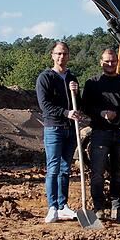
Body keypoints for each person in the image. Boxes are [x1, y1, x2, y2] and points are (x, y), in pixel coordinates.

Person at [81, 49, 120, 222]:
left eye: (113, 61)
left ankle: (116, 207)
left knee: (119, 172)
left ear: (117, 61)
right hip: (99, 133)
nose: (110, 64)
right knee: (97, 172)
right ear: (101, 62)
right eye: (107, 61)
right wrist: (101, 112)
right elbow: (85, 107)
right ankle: (99, 207)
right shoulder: (92, 83)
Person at [36, 41, 81, 223]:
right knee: (53, 168)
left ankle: (63, 206)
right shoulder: (45, 77)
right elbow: (44, 105)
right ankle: (52, 207)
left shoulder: (72, 78)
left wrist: (76, 93)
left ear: (69, 56)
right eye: (58, 54)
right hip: (54, 128)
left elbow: (79, 103)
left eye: (65, 54)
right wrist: (66, 113)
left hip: (71, 130)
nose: (62, 57)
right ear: (52, 55)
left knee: (65, 169)